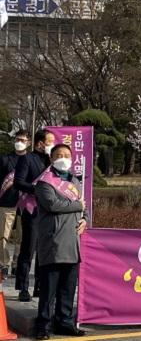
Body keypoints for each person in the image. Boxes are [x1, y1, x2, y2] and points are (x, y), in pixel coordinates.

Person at [34, 143, 87, 339]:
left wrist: (85, 220)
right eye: (59, 155)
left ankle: (64, 322)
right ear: (51, 158)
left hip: (73, 242)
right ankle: (43, 325)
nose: (63, 158)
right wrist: (77, 205)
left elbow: (85, 207)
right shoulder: (44, 182)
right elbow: (52, 204)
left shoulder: (74, 180)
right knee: (49, 288)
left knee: (67, 287)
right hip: (53, 241)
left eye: (67, 155)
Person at [14, 129, 55, 302]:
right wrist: (37, 189)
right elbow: (18, 182)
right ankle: (23, 287)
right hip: (32, 209)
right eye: (49, 141)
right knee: (28, 248)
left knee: (45, 250)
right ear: (40, 143)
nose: (52, 144)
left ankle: (39, 285)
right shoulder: (27, 159)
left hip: (48, 210)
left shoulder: (51, 161)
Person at [0, 130, 29, 277]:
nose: (20, 142)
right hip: (6, 202)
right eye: (18, 139)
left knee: (21, 237)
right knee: (3, 236)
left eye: (23, 140)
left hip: (25, 204)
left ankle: (16, 264)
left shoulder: (31, 160)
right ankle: (3, 263)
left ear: (28, 142)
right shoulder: (5, 159)